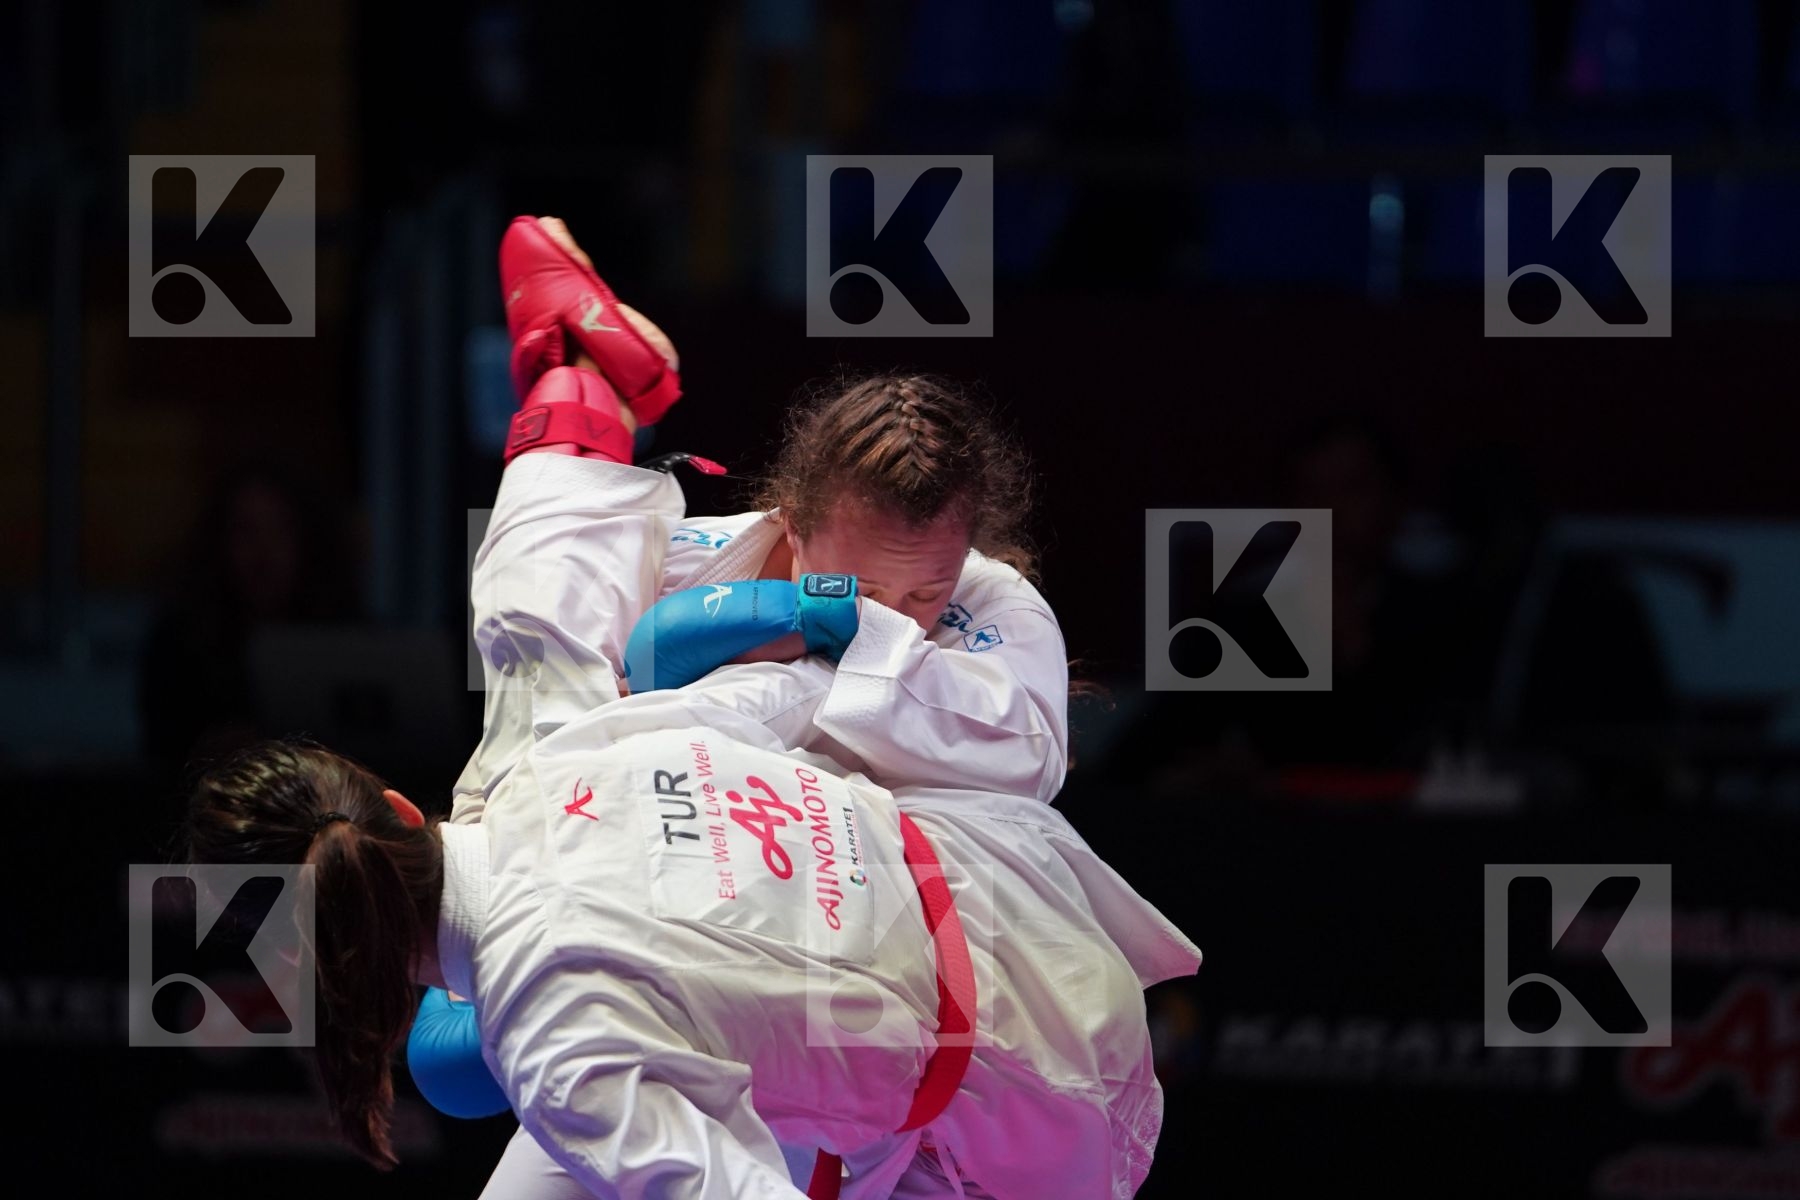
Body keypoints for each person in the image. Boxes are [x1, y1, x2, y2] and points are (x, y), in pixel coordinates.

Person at [184, 355, 1202, 1196]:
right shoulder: (583, 747)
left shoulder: (561, 1038)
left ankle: (575, 410)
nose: (891, 609)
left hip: (1028, 1068)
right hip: (1009, 941)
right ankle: (574, 407)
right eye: (857, 584)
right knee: (554, 688)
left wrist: (809, 628)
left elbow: (1010, 750)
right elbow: (612, 660)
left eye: (921, 595)